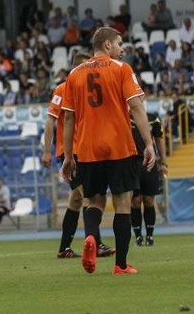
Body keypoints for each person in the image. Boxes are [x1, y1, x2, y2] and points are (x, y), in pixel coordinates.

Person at [61, 27, 156, 275]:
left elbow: (68, 119)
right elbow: (135, 106)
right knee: (123, 203)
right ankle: (121, 265)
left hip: (88, 148)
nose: (122, 48)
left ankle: (91, 236)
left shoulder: (74, 75)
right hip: (119, 146)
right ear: (107, 46)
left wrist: (69, 156)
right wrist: (148, 143)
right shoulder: (122, 69)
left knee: (94, 201)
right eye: (119, 43)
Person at [42, 52, 115, 259]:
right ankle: (94, 242)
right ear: (75, 69)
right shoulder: (63, 89)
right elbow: (50, 120)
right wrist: (47, 151)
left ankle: (65, 247)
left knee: (78, 199)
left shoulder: (88, 92)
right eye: (84, 67)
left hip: (85, 149)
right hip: (70, 151)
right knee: (84, 196)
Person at [131, 112, 167, 247]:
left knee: (149, 200)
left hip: (149, 163)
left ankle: (150, 236)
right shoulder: (123, 116)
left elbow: (159, 139)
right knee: (135, 201)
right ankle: (138, 237)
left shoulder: (152, 118)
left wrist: (163, 162)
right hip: (131, 163)